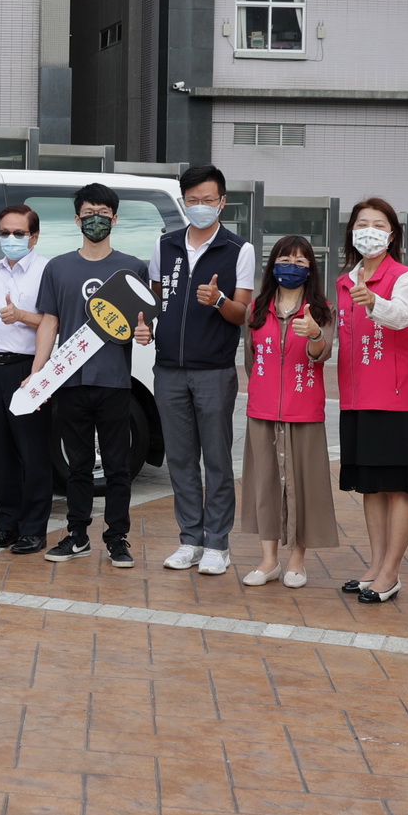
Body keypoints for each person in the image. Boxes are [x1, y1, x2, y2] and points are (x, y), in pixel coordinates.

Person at [34, 185, 151, 566]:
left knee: (118, 466)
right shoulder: (58, 267)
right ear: (77, 219)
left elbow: (144, 326)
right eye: (88, 212)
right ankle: (77, 534)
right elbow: (49, 322)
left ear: (115, 219)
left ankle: (117, 537)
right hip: (70, 382)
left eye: (103, 212)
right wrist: (39, 374)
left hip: (116, 382)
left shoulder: (132, 268)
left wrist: (146, 333)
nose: (95, 218)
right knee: (77, 466)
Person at [150, 164, 254, 575]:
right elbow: (156, 299)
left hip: (213, 370)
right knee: (179, 458)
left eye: (208, 200)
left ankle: (217, 544)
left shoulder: (237, 249)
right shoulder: (166, 245)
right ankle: (189, 539)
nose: (200, 207)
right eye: (192, 201)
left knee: (215, 458)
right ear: (183, 202)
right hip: (168, 369)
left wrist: (217, 300)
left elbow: (242, 312)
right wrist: (144, 325)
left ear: (222, 202)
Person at [334, 199, 408, 603]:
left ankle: (391, 572)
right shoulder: (344, 281)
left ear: (392, 234)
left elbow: (402, 317)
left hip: (395, 399)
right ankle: (374, 565)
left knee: (397, 489)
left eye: (378, 224)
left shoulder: (405, 278)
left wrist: (373, 301)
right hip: (355, 397)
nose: (368, 230)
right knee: (371, 487)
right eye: (361, 223)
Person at [235, 236, 339, 585]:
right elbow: (251, 361)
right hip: (262, 409)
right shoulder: (256, 309)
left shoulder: (323, 309)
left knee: (302, 485)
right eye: (284, 259)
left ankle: (297, 560)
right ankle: (268, 561)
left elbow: (320, 354)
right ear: (272, 264)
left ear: (311, 267)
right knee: (265, 483)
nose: (291, 267)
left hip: (304, 410)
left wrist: (312, 334)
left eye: (299, 261)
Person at [0, 205, 50, 555]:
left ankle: (34, 529)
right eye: (5, 233)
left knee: (32, 453)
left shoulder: (47, 271)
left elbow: (54, 321)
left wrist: (21, 316)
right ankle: (7, 526)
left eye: (19, 233)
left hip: (29, 368)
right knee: (1, 453)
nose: (11, 239)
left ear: (34, 236)